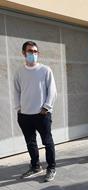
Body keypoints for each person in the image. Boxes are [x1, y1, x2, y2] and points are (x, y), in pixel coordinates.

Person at [14, 41, 57, 182]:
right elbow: (16, 91)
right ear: (24, 53)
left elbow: (52, 91)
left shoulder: (45, 70)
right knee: (30, 142)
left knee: (47, 142)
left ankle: (51, 167)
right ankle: (35, 166)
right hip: (25, 115)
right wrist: (19, 109)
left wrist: (46, 107)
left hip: (41, 114)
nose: (33, 54)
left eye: (35, 51)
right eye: (30, 51)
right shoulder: (19, 72)